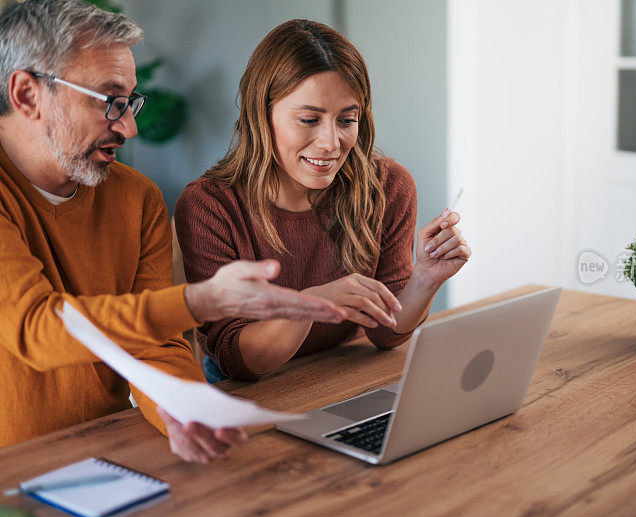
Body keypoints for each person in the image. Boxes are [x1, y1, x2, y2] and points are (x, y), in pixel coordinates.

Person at [0, 0, 344, 463]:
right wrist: (200, 301)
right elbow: (35, 328)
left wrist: (181, 410)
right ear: (26, 95)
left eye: (130, 101)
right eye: (109, 101)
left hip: (109, 455)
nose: (130, 126)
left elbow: (159, 345)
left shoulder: (134, 197)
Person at [175, 19, 471, 382]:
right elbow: (239, 359)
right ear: (261, 115)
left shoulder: (389, 186)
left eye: (347, 120)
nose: (331, 142)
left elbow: (384, 332)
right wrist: (312, 305)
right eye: (308, 119)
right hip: (251, 386)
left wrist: (425, 278)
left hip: (342, 368)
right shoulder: (210, 207)